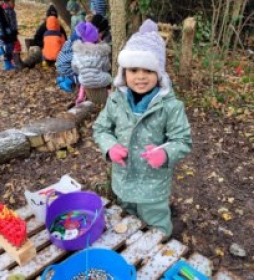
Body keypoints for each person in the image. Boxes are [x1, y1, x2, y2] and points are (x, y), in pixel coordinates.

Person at [93, 19, 192, 238]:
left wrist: (165, 153)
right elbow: (100, 128)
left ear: (159, 74)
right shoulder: (116, 101)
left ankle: (160, 258)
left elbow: (183, 141)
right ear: (123, 73)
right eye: (133, 70)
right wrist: (110, 147)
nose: (140, 76)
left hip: (153, 186)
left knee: (156, 226)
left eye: (148, 70)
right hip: (123, 180)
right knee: (127, 222)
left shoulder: (170, 106)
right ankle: (134, 254)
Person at [56, 15, 111, 92]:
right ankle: (68, 80)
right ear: (97, 30)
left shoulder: (82, 32)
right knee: (84, 75)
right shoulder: (83, 41)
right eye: (101, 33)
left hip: (61, 61)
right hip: (66, 65)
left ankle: (64, 76)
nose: (101, 36)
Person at [71, 21, 111, 105]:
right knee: (110, 78)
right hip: (101, 80)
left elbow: (75, 68)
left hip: (85, 81)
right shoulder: (102, 51)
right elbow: (107, 67)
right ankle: (110, 94)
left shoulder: (77, 51)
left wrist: (84, 71)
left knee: (82, 77)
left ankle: (81, 96)